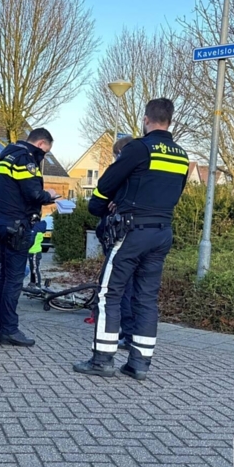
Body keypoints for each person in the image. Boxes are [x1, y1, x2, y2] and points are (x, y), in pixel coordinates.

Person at [74, 99, 189, 380]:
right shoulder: (181, 156)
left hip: (132, 232)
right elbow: (174, 191)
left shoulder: (139, 148)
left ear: (146, 119)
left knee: (109, 293)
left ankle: (102, 360)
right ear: (170, 121)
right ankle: (139, 364)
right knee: (147, 298)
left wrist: (99, 208)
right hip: (162, 232)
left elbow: (106, 186)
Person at [0, 127, 59, 346]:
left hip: (3, 223)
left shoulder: (6, 157)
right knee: (13, 280)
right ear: (41, 144)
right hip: (17, 226)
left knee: (4, 278)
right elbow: (33, 193)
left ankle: (0, 328)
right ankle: (9, 330)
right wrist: (49, 195)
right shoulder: (25, 159)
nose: (44, 156)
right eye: (45, 151)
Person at [93, 135, 136, 348]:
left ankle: (113, 337)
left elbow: (99, 199)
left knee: (115, 288)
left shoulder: (121, 172)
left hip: (118, 236)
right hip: (142, 237)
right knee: (134, 288)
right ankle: (129, 333)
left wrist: (113, 203)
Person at [26, 218, 48, 290]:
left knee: (35, 269)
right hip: (34, 251)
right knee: (33, 268)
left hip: (34, 251)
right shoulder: (38, 228)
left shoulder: (35, 229)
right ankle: (33, 283)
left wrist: (25, 248)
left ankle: (37, 284)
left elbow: (31, 241)